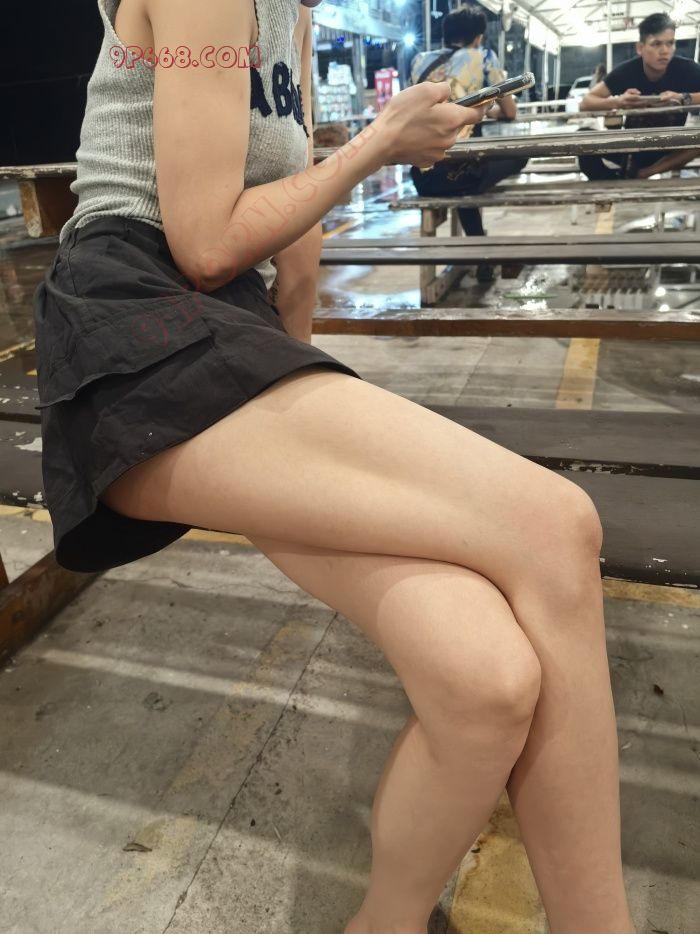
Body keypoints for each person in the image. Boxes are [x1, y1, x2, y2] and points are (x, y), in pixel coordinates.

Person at [33, 2, 636, 933]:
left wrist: (308, 399)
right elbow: (203, 244)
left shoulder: (296, 15)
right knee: (556, 523)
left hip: (231, 330)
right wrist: (379, 144)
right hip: (131, 323)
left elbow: (295, 243)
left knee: (484, 681)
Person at [408, 3, 527, 282]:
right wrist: (486, 112)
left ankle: (481, 256)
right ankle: (482, 257)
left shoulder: (420, 60)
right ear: (478, 37)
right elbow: (510, 112)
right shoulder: (483, 56)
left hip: (423, 177)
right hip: (460, 175)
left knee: (464, 175)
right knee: (518, 154)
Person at [579, 12, 700, 180]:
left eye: (670, 43)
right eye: (656, 44)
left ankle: (643, 174)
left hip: (670, 146)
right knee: (582, 135)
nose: (665, 51)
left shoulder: (686, 69)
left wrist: (684, 98)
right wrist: (619, 101)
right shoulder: (627, 71)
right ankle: (611, 179)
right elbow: (586, 102)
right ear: (640, 48)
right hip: (632, 146)